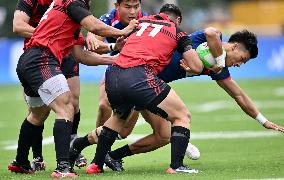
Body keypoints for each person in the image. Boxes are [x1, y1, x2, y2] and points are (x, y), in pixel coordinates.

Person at [70, 27, 284, 173]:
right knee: (168, 120)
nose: (239, 64)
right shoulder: (206, 42)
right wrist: (218, 61)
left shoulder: (219, 70)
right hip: (141, 78)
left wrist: (263, 121)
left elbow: (239, 95)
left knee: (161, 135)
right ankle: (175, 165)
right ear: (235, 46)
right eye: (242, 60)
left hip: (150, 85)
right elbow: (211, 31)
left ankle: (109, 155)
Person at [10, 0, 138, 178]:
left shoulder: (69, 15)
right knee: (66, 106)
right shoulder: (73, 2)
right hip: (42, 59)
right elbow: (95, 26)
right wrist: (123, 31)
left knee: (37, 114)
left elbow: (80, 55)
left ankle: (20, 162)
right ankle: (63, 168)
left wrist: (114, 59)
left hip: (30, 60)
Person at [84, 3, 204, 175]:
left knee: (119, 118)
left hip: (113, 73)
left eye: (135, 6)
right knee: (182, 116)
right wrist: (196, 65)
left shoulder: (140, 22)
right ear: (177, 20)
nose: (133, 11)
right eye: (128, 6)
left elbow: (97, 43)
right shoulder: (177, 32)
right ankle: (176, 166)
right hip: (140, 76)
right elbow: (197, 66)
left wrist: (109, 45)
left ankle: (95, 163)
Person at [9, 0, 98, 172]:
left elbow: (85, 37)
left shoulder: (71, 3)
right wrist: (51, 34)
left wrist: (96, 37)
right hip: (41, 55)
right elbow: (18, 26)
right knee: (61, 107)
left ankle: (22, 161)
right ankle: (53, 163)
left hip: (61, 54)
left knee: (66, 104)